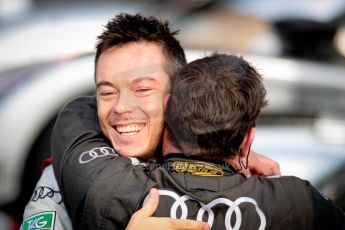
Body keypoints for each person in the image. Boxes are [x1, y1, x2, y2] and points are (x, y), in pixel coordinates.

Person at [21, 13, 279, 230]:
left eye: (142, 89)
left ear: (177, 96)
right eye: (107, 93)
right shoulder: (63, 177)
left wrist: (226, 147)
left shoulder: (242, 170)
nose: (121, 107)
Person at [52, 53, 345, 229]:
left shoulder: (113, 190)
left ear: (167, 108)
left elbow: (76, 113)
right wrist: (238, 149)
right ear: (248, 140)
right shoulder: (297, 203)